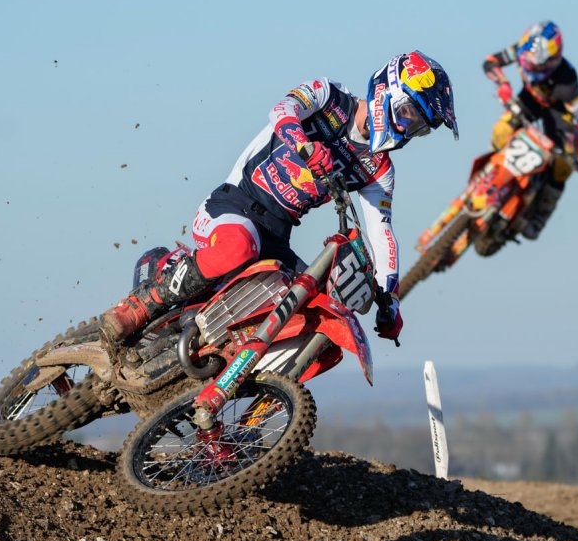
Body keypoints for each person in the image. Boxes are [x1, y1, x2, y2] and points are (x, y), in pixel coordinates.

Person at [100, 51, 458, 345]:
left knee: (317, 310)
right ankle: (141, 304)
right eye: (409, 114)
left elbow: (382, 235)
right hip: (235, 205)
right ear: (387, 91)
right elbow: (283, 110)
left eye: (419, 127)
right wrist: (304, 146)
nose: (408, 129)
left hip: (276, 236)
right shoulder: (329, 96)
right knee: (239, 247)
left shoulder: (378, 168)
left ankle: (249, 398)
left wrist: (390, 299)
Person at [481, 21, 578, 240]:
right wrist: (502, 83)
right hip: (529, 101)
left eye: (537, 66)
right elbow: (490, 62)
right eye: (526, 62)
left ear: (552, 62)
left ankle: (540, 217)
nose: (530, 68)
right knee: (502, 129)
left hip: (558, 114)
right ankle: (488, 173)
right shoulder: (521, 48)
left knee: (563, 165)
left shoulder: (567, 81)